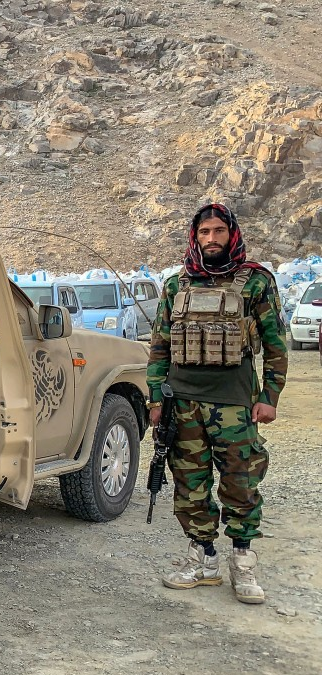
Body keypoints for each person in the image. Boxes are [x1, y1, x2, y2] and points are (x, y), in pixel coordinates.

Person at [149, 203, 287, 605]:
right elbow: (159, 346)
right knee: (189, 483)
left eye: (219, 231)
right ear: (196, 237)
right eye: (205, 232)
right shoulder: (176, 285)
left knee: (240, 482)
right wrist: (155, 398)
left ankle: (242, 561)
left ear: (231, 235)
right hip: (182, 403)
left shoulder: (256, 282)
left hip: (234, 404)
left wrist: (270, 397)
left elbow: (276, 345)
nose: (211, 239)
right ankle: (203, 558)